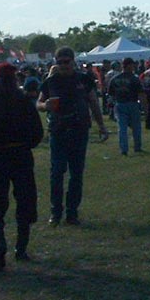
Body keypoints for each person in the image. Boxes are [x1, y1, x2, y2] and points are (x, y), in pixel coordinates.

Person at [0, 63, 44, 269]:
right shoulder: (23, 101)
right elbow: (37, 132)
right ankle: (21, 247)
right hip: (20, 156)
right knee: (25, 200)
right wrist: (25, 145)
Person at [38, 47, 108, 225]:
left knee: (76, 174)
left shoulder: (83, 79)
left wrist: (101, 125)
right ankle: (55, 212)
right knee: (57, 172)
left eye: (66, 62)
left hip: (79, 130)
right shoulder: (51, 81)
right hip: (58, 131)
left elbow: (93, 102)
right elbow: (38, 103)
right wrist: (45, 105)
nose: (63, 65)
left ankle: (72, 213)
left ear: (73, 61)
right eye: (59, 62)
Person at [107, 57, 144, 156]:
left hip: (120, 104)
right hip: (132, 104)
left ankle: (124, 149)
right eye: (132, 64)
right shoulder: (134, 78)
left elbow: (110, 93)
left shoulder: (115, 79)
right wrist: (144, 106)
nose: (134, 66)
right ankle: (137, 147)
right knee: (136, 127)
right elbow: (141, 93)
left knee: (122, 128)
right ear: (128, 65)